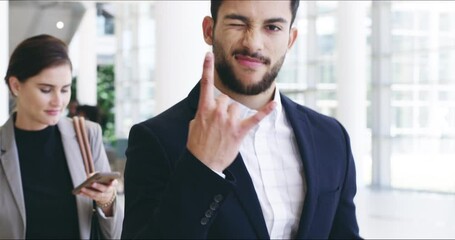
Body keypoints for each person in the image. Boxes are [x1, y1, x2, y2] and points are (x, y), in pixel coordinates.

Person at [121, 0, 360, 239]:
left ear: (290, 39)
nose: (253, 43)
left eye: (273, 27)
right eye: (237, 23)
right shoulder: (156, 139)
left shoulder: (330, 136)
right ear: (209, 30)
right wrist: (202, 168)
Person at [0, 34, 123, 239]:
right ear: (15, 86)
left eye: (65, 89)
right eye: (46, 90)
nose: (59, 101)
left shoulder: (87, 135)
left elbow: (116, 233)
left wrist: (106, 201)